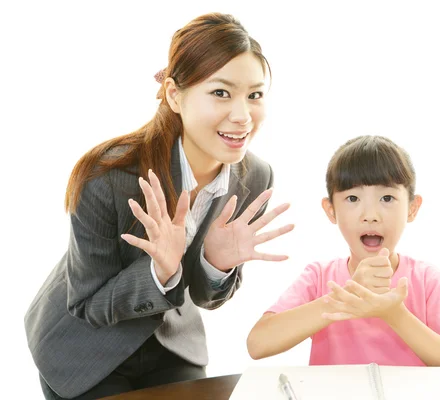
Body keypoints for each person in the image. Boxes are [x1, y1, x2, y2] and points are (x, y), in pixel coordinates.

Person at [24, 12, 294, 400]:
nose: (242, 116)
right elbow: (87, 303)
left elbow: (205, 297)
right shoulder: (106, 177)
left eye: (254, 95)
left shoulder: (254, 178)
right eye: (221, 92)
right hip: (84, 345)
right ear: (174, 95)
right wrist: (158, 271)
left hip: (171, 339)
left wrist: (214, 264)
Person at [247, 135, 440, 367]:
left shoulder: (428, 279)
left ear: (412, 208)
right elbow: (258, 344)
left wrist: (394, 314)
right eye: (352, 198)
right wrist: (342, 299)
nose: (370, 214)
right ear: (331, 210)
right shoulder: (319, 277)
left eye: (387, 198)